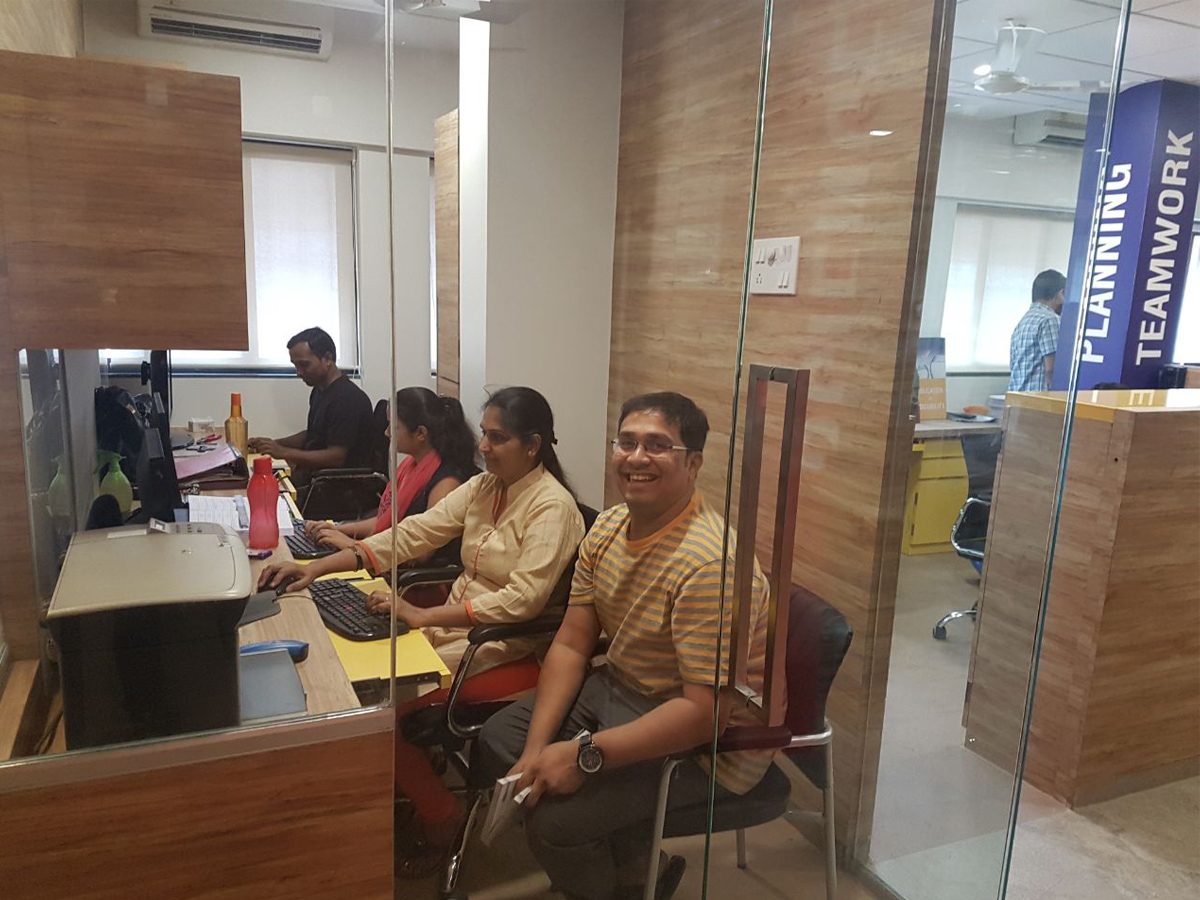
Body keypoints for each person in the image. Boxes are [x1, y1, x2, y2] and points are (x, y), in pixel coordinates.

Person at [259, 386, 585, 878]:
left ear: (533, 445)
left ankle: (441, 817)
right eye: (485, 435)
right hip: (458, 628)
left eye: (498, 438)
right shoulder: (485, 486)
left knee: (380, 711)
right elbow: (415, 533)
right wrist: (320, 566)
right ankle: (399, 785)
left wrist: (422, 615)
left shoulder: (553, 508)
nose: (484, 447)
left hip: (502, 646)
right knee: (358, 676)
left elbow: (523, 601)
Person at [476, 391, 771, 900]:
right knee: (500, 742)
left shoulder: (709, 564)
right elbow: (572, 644)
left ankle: (621, 884)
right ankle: (637, 870)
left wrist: (583, 755)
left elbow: (702, 716)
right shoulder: (610, 526)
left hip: (707, 745)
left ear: (694, 463)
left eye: (657, 446)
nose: (636, 457)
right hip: (618, 689)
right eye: (627, 442)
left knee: (555, 821)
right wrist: (537, 749)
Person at [303, 386, 478, 554]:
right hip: (386, 555)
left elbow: (422, 551)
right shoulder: (412, 465)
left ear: (421, 433)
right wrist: (337, 528)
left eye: (394, 427)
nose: (387, 433)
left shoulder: (445, 484)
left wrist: (354, 547)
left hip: (406, 571)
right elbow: (385, 521)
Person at [247, 326, 375, 487]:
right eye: (296, 365)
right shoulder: (320, 390)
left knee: (261, 492)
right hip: (315, 478)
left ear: (327, 359)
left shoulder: (347, 399)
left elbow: (336, 457)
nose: (299, 372)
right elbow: (313, 435)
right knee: (255, 483)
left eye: (304, 365)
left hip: (336, 487)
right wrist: (272, 444)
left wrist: (283, 452)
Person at [1009, 269, 1066, 392]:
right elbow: (1052, 369)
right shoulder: (1050, 320)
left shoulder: (1024, 321)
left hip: (1019, 398)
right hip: (1039, 398)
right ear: (1061, 294)